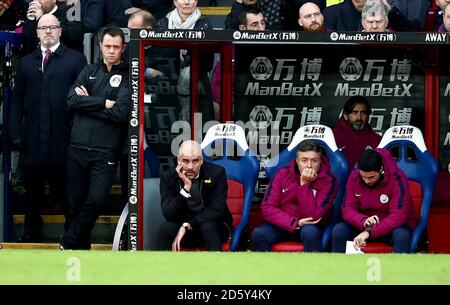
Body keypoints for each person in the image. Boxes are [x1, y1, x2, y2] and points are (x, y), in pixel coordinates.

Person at [8, 14, 87, 242]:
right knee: (32, 192)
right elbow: (16, 100)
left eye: (53, 27)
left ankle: (72, 236)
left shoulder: (75, 59)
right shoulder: (27, 62)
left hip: (64, 139)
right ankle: (31, 233)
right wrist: (15, 133)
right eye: (43, 28)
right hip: (33, 138)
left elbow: (82, 100)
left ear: (60, 31)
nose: (48, 31)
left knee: (67, 193)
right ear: (37, 32)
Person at [60, 27, 130, 250]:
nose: (111, 51)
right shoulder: (89, 70)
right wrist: (103, 103)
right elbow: (71, 100)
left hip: (105, 150)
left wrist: (88, 102)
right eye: (107, 46)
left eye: (115, 47)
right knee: (74, 203)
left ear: (123, 48)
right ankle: (79, 250)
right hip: (77, 147)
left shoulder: (129, 75)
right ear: (100, 46)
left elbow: (120, 113)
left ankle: (68, 242)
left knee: (97, 200)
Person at [252, 140, 338, 252]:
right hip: (283, 224)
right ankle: (267, 269)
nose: (309, 165)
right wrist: (295, 223)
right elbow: (267, 208)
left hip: (310, 227)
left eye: (314, 160)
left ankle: (313, 269)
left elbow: (313, 216)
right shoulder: (282, 174)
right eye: (304, 160)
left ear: (320, 161)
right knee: (259, 234)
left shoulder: (329, 180)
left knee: (310, 233)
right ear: (296, 161)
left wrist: (304, 184)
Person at [332, 148, 418, 253]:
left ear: (381, 169)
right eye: (363, 177)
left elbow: (398, 217)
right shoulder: (354, 176)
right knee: (339, 230)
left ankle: (398, 269)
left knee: (402, 235)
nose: (367, 181)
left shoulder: (397, 178)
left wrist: (369, 232)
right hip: (364, 224)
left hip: (390, 227)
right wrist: (363, 221)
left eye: (371, 177)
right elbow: (347, 209)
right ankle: (339, 268)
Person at [158, 140, 233, 251]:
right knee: (165, 228)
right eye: (185, 161)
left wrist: (188, 224)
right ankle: (163, 266)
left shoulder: (216, 173)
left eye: (195, 161)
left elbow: (217, 210)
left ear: (201, 160)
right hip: (185, 230)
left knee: (207, 226)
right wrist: (186, 188)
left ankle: (217, 267)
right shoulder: (168, 177)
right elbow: (168, 213)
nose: (190, 167)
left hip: (214, 227)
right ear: (179, 160)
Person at [332, 96, 381, 169]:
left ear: (368, 116)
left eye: (363, 113)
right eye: (355, 113)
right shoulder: (332, 136)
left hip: (364, 179)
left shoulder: (376, 140)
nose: (359, 118)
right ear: (345, 115)